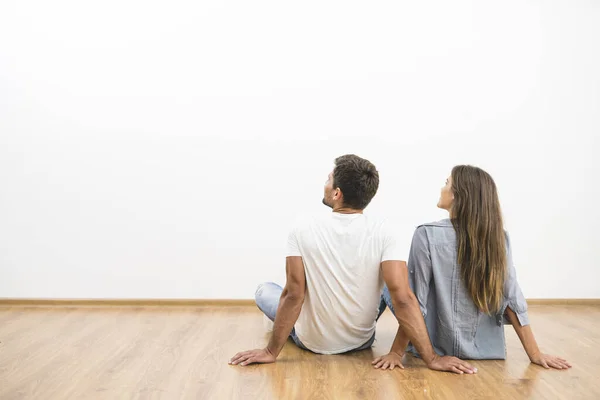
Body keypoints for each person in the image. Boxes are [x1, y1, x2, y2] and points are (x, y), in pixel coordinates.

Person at [229, 155, 476, 374]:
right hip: (361, 341)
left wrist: (271, 352)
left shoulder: (302, 226)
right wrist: (431, 359)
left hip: (312, 343)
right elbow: (403, 299)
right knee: (394, 288)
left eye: (328, 179)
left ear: (337, 193)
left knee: (265, 289)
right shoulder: (385, 231)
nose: (325, 184)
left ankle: (285, 325)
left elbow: (294, 294)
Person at [376, 165, 571, 370]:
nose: (442, 188)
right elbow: (512, 298)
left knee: (389, 284)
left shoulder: (426, 234)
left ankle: (360, 339)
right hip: (484, 349)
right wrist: (535, 353)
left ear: (457, 195)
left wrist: (396, 352)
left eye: (447, 183)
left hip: (437, 346)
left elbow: (415, 300)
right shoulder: (499, 238)